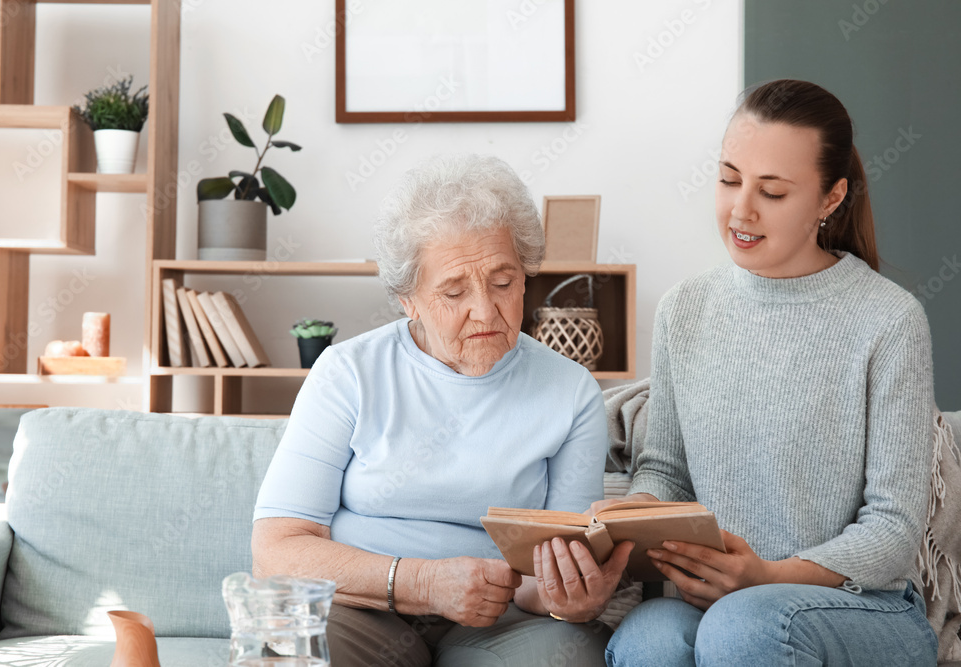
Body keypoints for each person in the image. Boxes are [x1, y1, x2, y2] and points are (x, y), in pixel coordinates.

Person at [586, 79, 937, 665]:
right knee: (648, 639)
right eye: (728, 179)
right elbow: (666, 470)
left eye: (772, 192)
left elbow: (894, 533)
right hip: (711, 601)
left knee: (741, 627)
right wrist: (626, 516)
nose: (740, 209)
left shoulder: (890, 320)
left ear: (831, 199)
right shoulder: (685, 309)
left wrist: (766, 575)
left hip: (857, 608)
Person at [251, 153, 632, 667]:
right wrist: (422, 583)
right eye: (454, 291)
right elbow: (277, 551)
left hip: (499, 621)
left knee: (567, 658)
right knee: (301, 651)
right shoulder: (347, 373)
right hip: (360, 606)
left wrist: (567, 595)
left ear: (525, 277)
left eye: (503, 282)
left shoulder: (570, 391)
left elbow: (546, 573)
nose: (485, 310)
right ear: (408, 299)